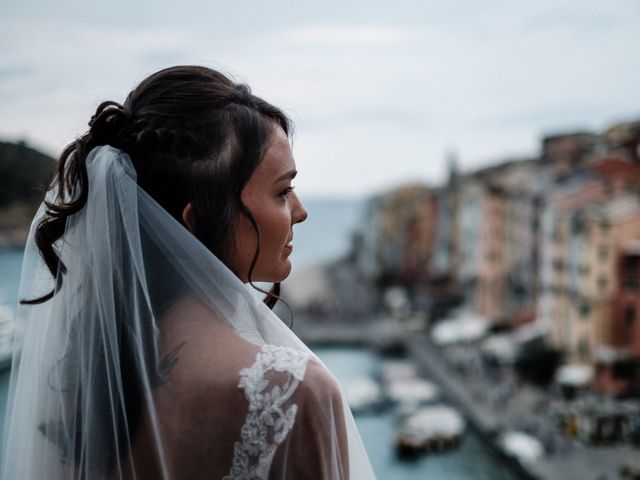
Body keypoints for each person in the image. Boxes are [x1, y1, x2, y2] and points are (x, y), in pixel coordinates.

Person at [1, 66, 376, 479]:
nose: (300, 212)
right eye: (282, 191)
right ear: (196, 222)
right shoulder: (291, 392)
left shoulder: (81, 392)